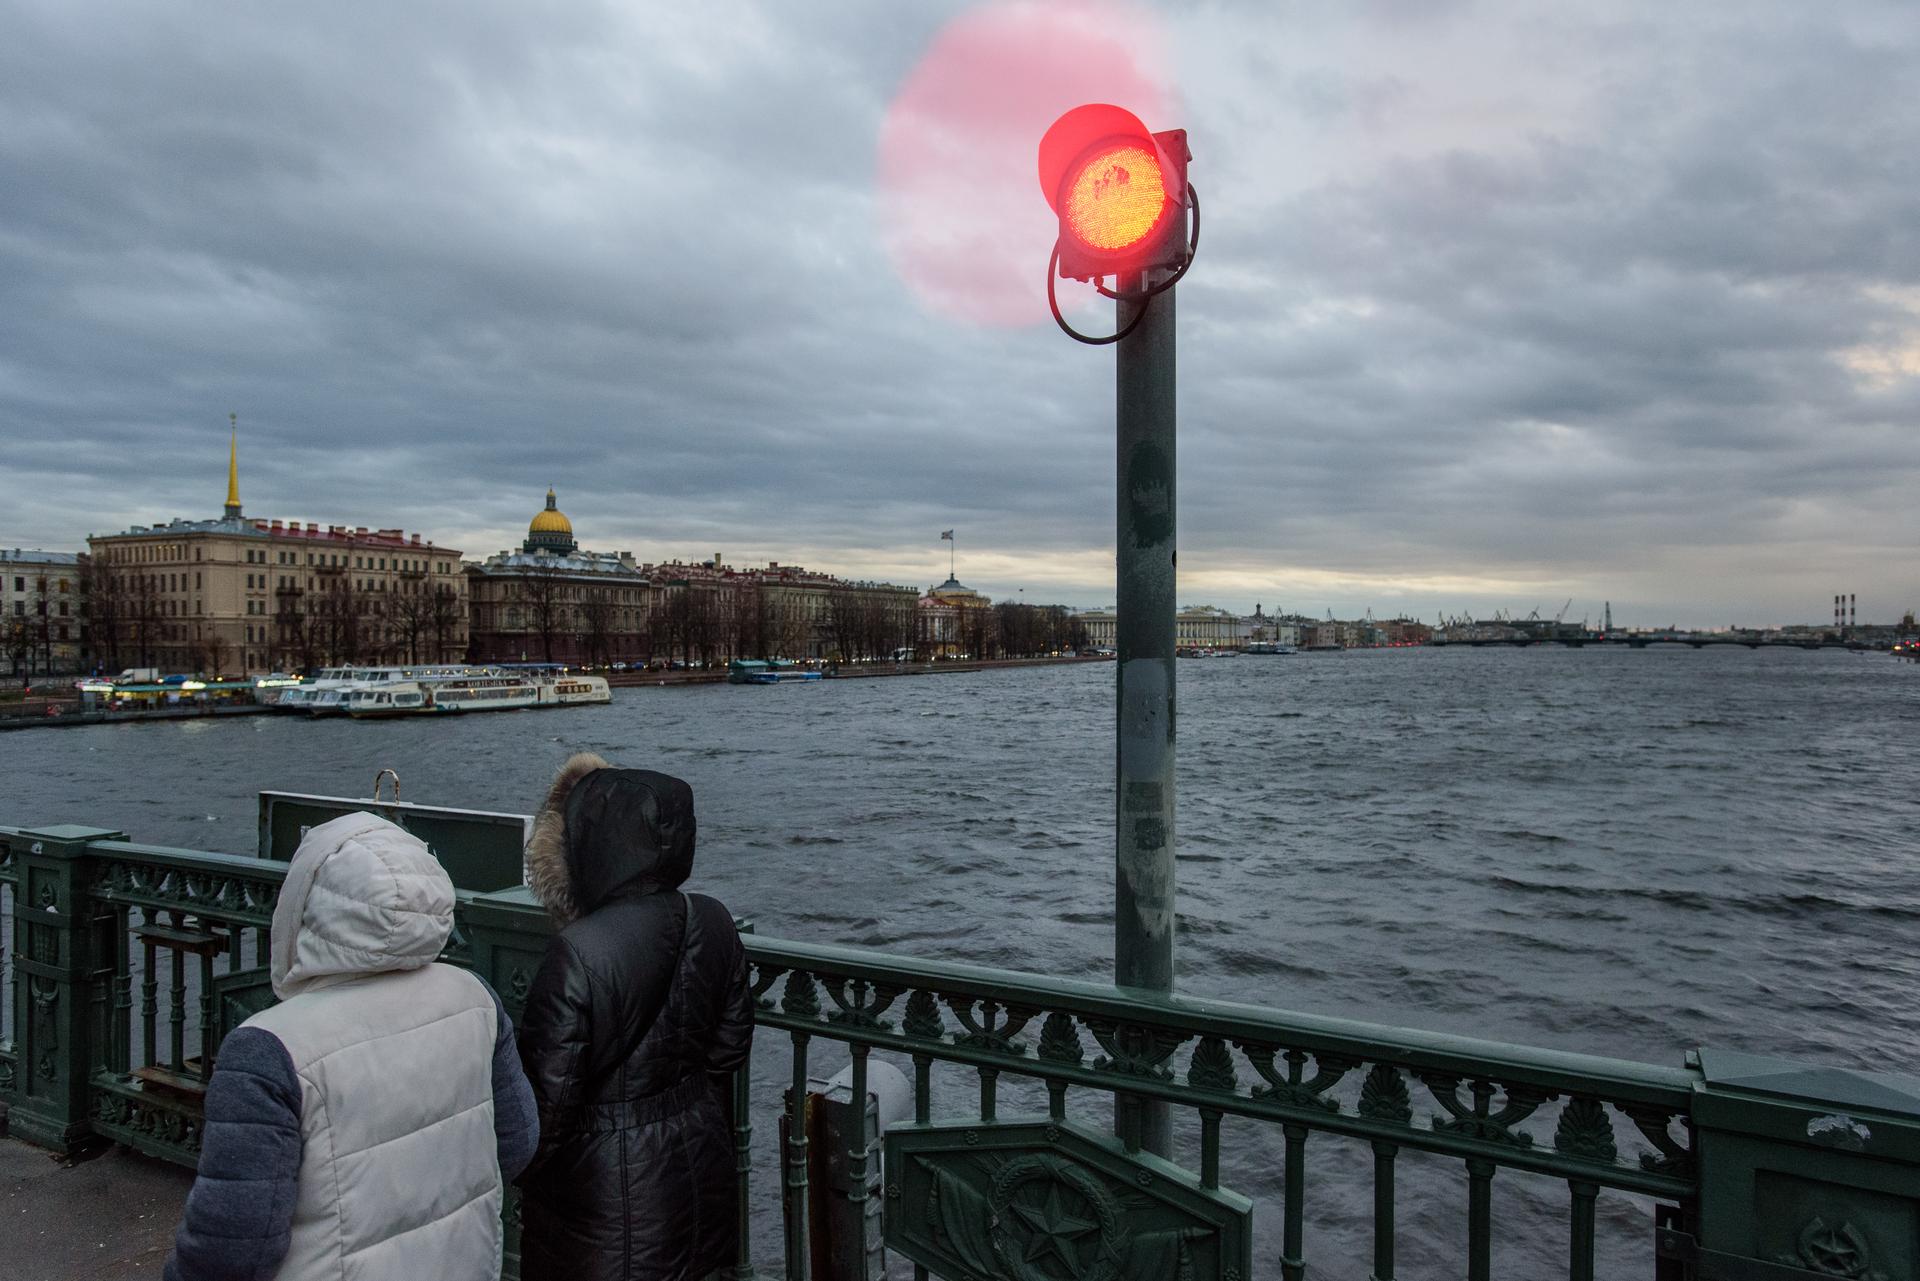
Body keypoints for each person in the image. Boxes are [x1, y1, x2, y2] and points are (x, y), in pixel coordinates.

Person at [165, 812, 538, 1281]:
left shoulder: (268, 1049)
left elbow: (233, 1244)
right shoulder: (475, 998)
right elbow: (518, 1141)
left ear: (308, 903)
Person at [517, 753, 753, 1281]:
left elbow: (543, 1115)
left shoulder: (577, 953)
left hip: (602, 1196)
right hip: (700, 1170)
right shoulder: (712, 918)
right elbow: (728, 1052)